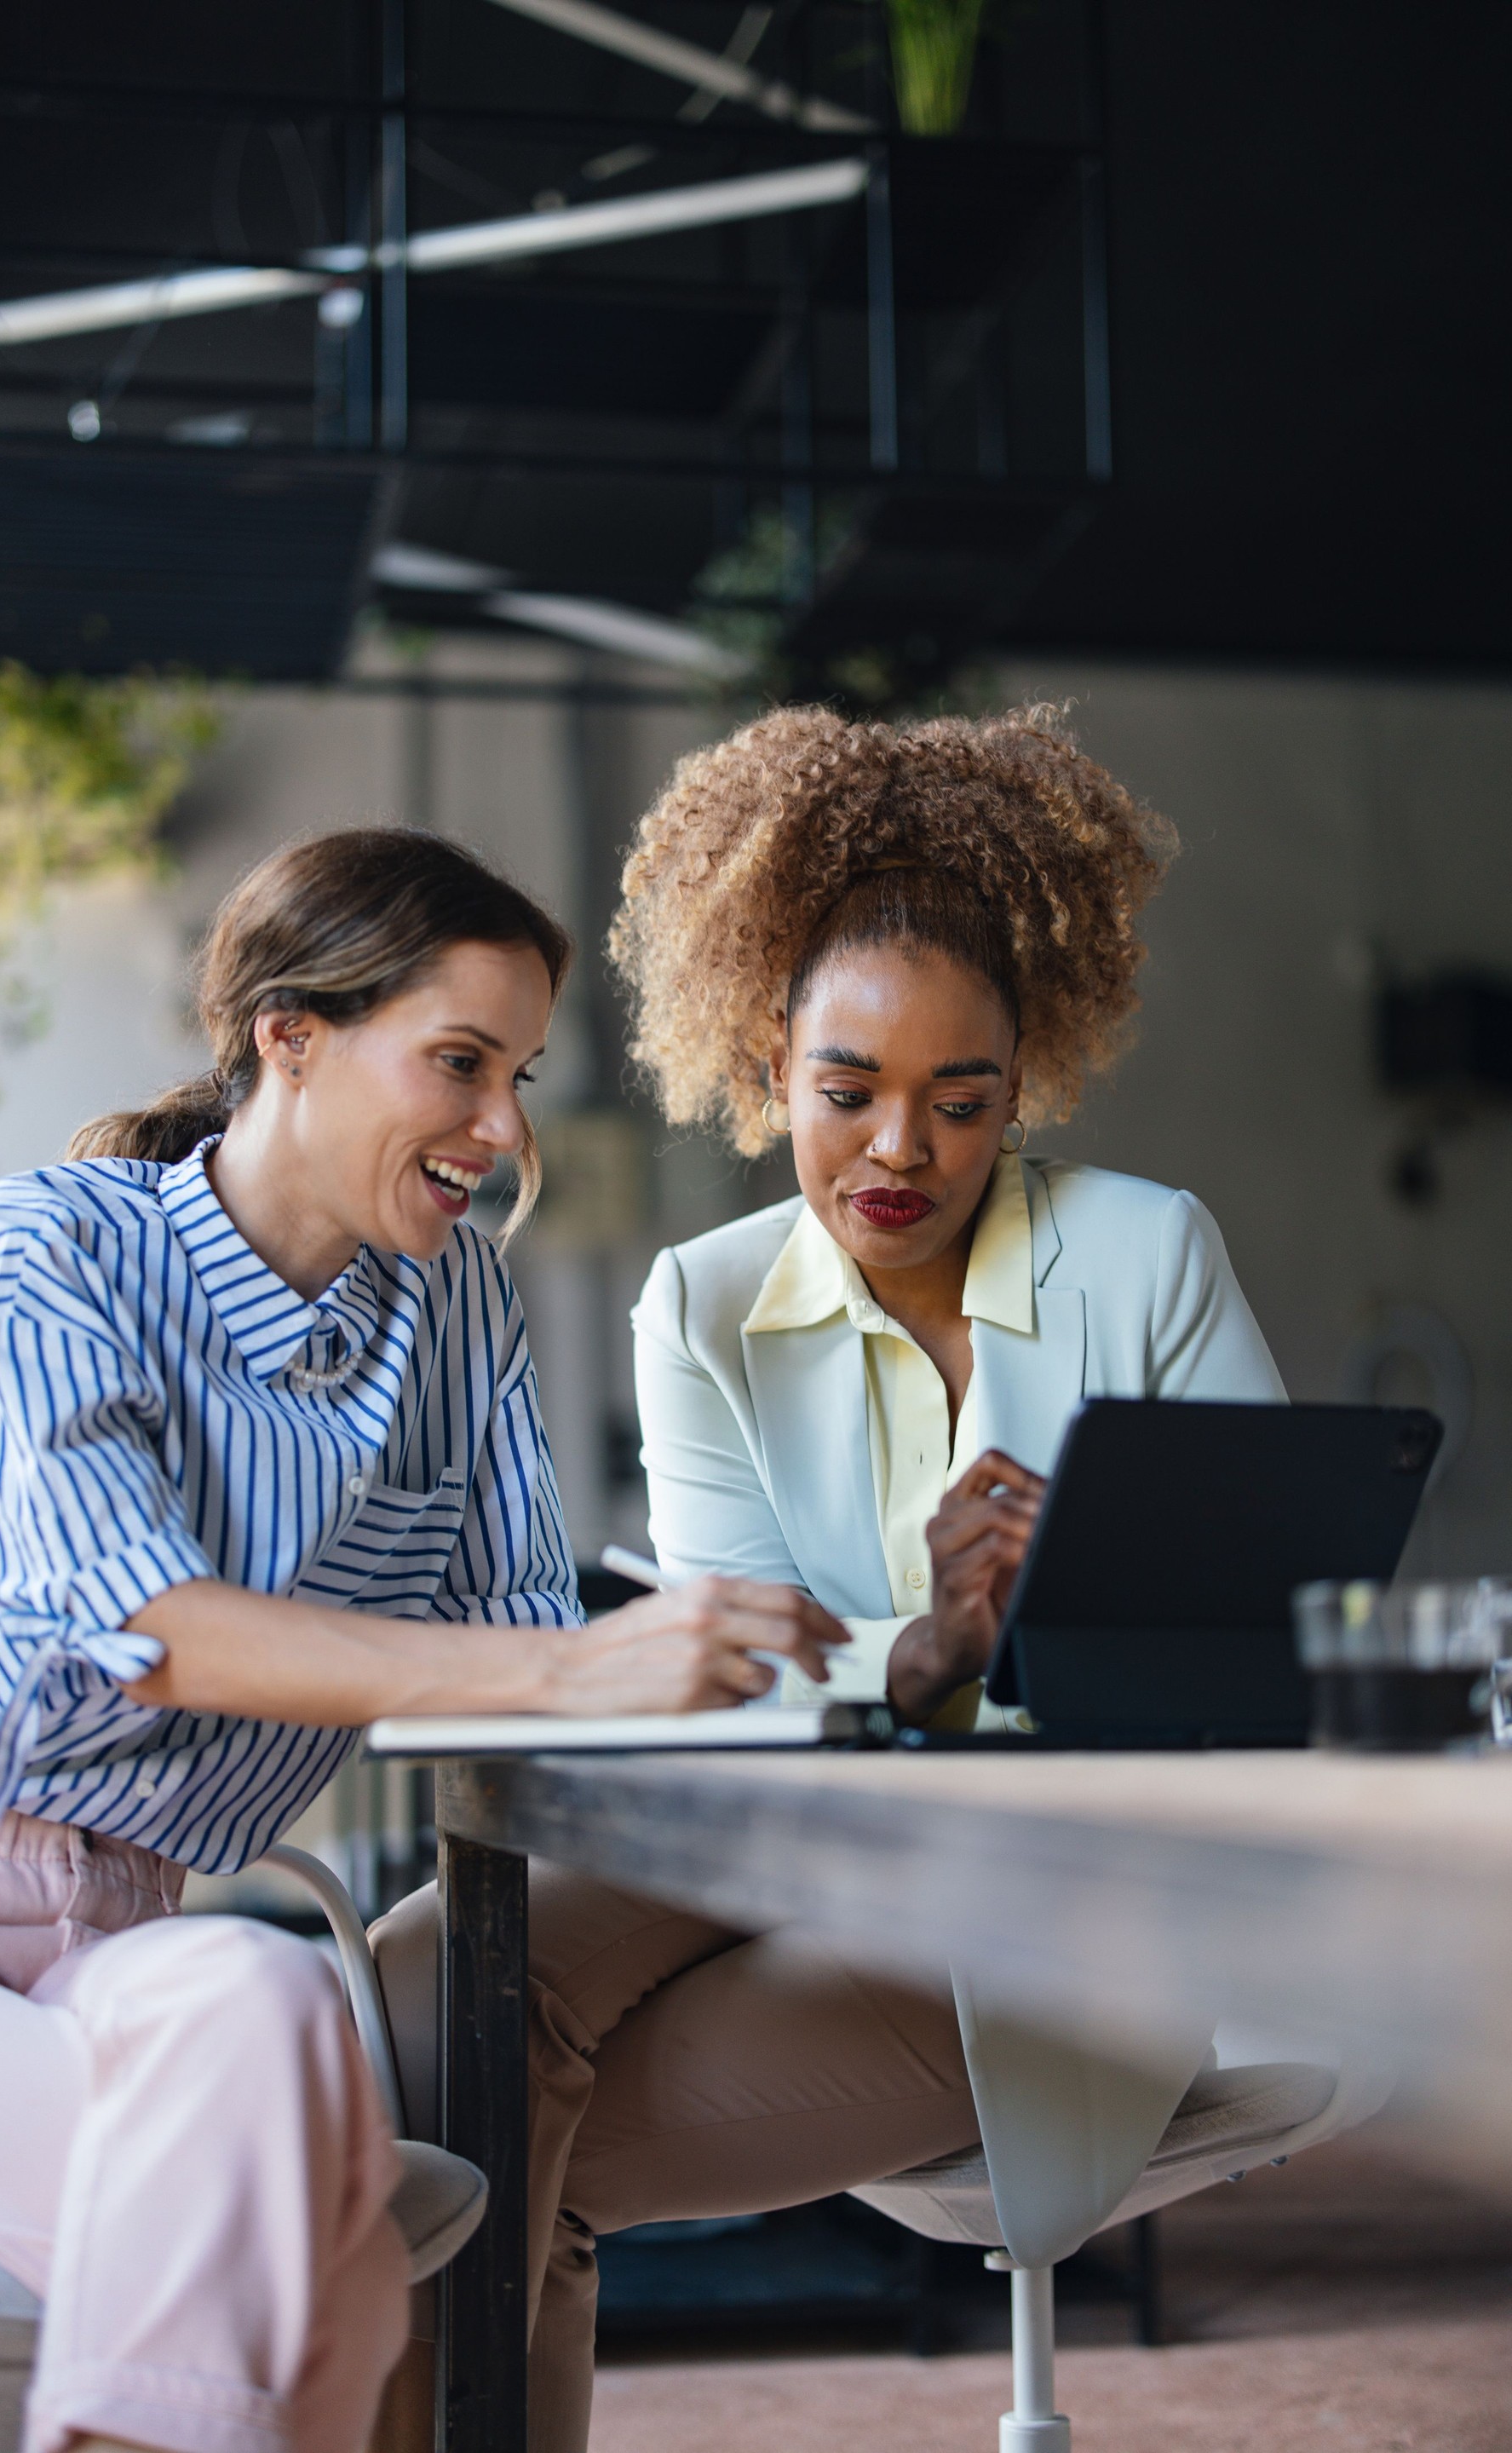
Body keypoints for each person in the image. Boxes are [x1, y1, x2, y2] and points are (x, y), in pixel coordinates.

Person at [371, 703, 1285, 2453]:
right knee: (420, 2007)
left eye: (963, 1102)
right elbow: (740, 1678)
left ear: (1028, 1087)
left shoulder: (1143, 1254)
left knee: (487, 2153)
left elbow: (1258, 1636)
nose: (898, 1152)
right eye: (847, 1092)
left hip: (1052, 1914)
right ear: (765, 1064)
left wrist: (994, 1662)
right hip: (784, 1837)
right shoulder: (703, 1307)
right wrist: (931, 1645)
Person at [0, 826, 843, 2453]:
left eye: (520, 1071)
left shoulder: (454, 1307)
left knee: (261, 2011)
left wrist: (850, 1666)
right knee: (311, 2230)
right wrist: (567, 1667)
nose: (504, 1128)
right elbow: (144, 1626)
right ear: (289, 1034)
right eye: (461, 1061)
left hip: (126, 1935)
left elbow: (528, 1638)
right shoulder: (37, 1250)